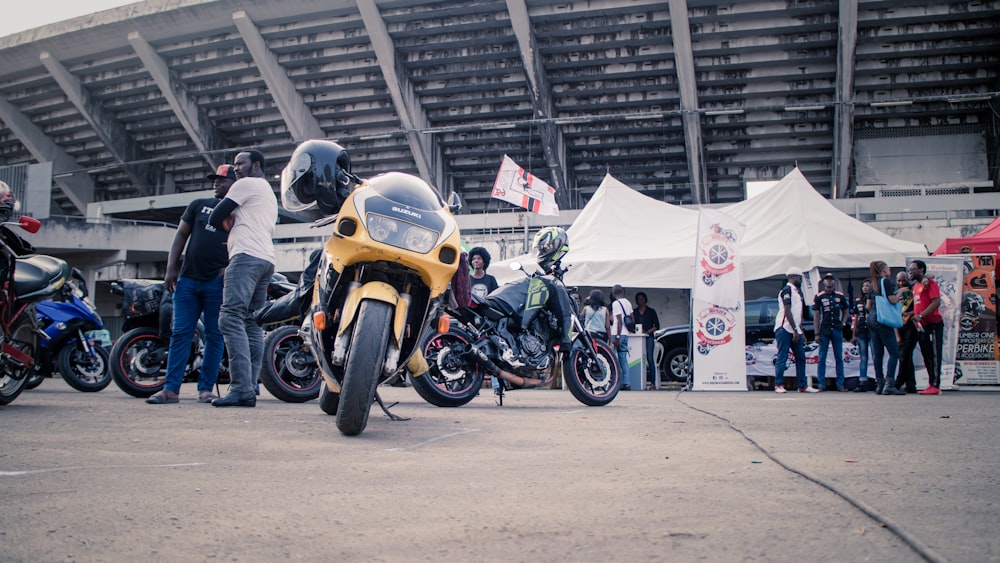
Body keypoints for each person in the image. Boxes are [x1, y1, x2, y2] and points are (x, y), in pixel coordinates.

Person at [146, 164, 234, 404]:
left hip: (216, 282)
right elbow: (181, 235)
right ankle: (170, 389)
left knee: (215, 336)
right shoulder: (198, 205)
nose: (217, 182)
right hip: (188, 279)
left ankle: (205, 389)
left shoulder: (239, 211)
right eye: (215, 179)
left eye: (222, 180)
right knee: (180, 333)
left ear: (235, 183)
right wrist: (171, 267)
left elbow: (246, 240)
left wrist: (230, 266)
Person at [208, 150, 278, 407]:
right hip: (266, 259)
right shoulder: (268, 192)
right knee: (251, 323)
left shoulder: (246, 184)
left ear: (256, 164)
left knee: (230, 317)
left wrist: (229, 222)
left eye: (241, 163)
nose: (236, 168)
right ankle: (250, 386)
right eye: (235, 164)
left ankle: (240, 388)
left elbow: (215, 215)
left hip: (246, 257)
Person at [866, 260, 905, 395]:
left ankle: (880, 383)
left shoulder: (872, 284)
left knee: (878, 354)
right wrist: (900, 292)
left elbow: (868, 306)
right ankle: (889, 384)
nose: (890, 271)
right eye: (888, 268)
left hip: (871, 318)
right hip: (882, 318)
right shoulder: (885, 281)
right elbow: (892, 300)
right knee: (894, 352)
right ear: (883, 270)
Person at [774, 267, 813, 393]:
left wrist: (800, 330)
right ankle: (778, 384)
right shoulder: (787, 290)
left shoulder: (797, 292)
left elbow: (798, 313)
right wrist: (795, 330)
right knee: (783, 357)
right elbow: (787, 310)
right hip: (785, 328)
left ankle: (802, 385)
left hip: (796, 329)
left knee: (801, 357)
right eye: (799, 278)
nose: (800, 280)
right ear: (793, 277)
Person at [910, 259, 944, 395]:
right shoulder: (916, 286)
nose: (910, 271)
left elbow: (936, 302)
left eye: (913, 269)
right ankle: (931, 384)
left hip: (934, 324)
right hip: (922, 326)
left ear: (922, 270)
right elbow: (919, 304)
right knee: (927, 355)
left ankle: (935, 385)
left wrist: (922, 315)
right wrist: (912, 315)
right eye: (910, 269)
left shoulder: (930, 283)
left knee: (935, 354)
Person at [812, 273, 849, 391]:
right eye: (827, 280)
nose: (829, 282)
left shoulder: (840, 296)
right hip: (824, 330)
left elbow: (846, 310)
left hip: (837, 329)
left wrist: (843, 323)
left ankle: (840, 384)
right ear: (823, 282)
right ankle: (821, 384)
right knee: (822, 357)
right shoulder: (819, 296)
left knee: (839, 357)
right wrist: (816, 333)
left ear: (834, 282)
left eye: (831, 280)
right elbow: (816, 316)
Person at [894, 271, 918, 393]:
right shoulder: (896, 294)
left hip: (912, 326)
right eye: (899, 281)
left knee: (905, 354)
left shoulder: (914, 291)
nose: (901, 283)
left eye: (903, 280)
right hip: (899, 327)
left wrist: (909, 314)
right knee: (905, 357)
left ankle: (898, 381)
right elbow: (894, 314)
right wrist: (897, 336)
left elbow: (920, 307)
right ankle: (910, 385)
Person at [633, 291, 660, 389]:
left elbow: (656, 325)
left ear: (645, 299)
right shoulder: (634, 312)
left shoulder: (651, 311)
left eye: (642, 298)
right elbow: (632, 324)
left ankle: (652, 382)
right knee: (637, 359)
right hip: (638, 338)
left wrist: (648, 331)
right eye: (639, 299)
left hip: (649, 337)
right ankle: (640, 381)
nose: (641, 300)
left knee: (649, 359)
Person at [609, 284, 634, 390]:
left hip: (617, 333)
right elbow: (633, 318)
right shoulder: (628, 302)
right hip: (626, 333)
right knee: (623, 359)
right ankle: (626, 383)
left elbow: (619, 320)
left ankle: (615, 382)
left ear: (614, 293)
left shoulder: (616, 303)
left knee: (613, 358)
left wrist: (617, 336)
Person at [851, 279, 873, 392]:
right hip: (861, 332)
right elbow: (855, 318)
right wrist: (853, 334)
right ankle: (862, 381)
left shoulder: (874, 299)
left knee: (875, 356)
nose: (865, 288)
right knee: (863, 358)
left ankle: (879, 380)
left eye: (868, 286)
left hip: (872, 330)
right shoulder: (858, 301)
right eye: (864, 286)